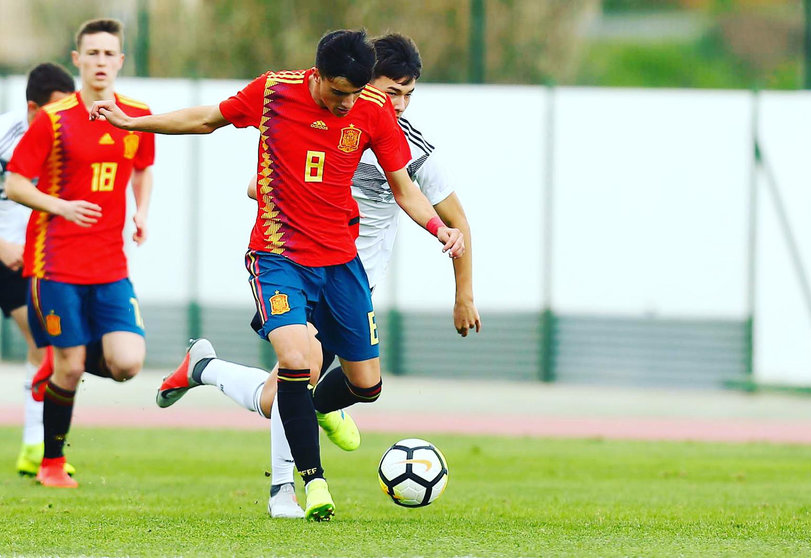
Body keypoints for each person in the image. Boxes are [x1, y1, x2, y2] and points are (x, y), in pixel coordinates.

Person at [89, 29, 464, 521]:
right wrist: (133, 124)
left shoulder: (372, 112)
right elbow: (205, 119)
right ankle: (305, 486)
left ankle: (206, 370)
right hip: (279, 257)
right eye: (338, 93)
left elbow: (404, 189)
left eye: (355, 94)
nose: (347, 104)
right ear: (317, 76)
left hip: (341, 265)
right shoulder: (273, 91)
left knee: (363, 386)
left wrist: (439, 228)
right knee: (296, 361)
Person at [6, 18, 155, 488]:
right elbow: (14, 183)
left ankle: (59, 365)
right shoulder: (53, 119)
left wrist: (141, 212)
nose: (101, 62)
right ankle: (51, 464)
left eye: (109, 54)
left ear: (120, 61)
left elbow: (143, 168)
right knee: (70, 366)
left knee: (127, 362)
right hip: (55, 263)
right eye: (92, 54)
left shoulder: (136, 114)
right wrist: (61, 206)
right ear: (78, 60)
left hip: (110, 263)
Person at [0, 63, 76, 477]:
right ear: (32, 109)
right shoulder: (5, 135)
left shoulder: (64, 142)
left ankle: (35, 446)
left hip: (22, 262)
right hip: (4, 251)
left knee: (44, 345)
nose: (61, 120)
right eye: (53, 111)